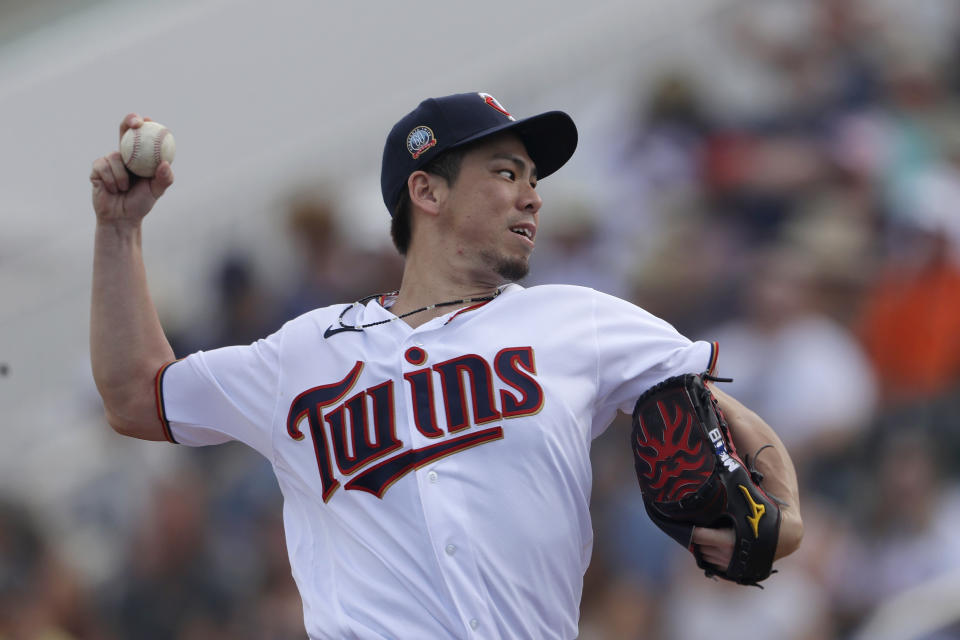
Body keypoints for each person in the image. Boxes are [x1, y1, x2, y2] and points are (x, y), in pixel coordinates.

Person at [89, 92, 803, 639]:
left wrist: (786, 516)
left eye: (533, 178)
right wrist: (119, 232)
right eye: (505, 172)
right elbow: (136, 396)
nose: (533, 193)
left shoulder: (579, 319)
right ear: (427, 192)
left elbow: (709, 407)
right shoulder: (302, 353)